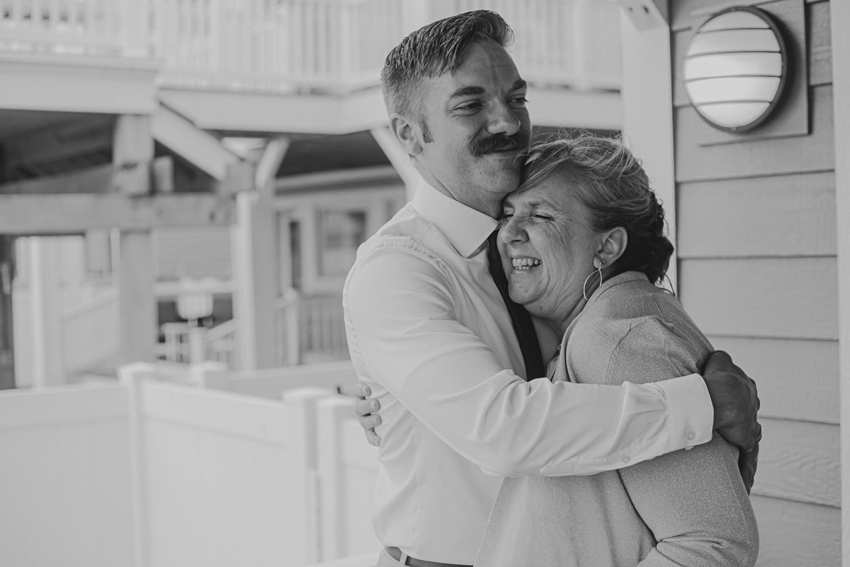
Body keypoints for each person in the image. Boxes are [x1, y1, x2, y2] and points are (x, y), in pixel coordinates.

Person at [343, 10, 760, 567]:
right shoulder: (398, 271)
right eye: (470, 105)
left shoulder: (544, 268)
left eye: (516, 98)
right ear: (409, 134)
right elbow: (502, 428)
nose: (507, 122)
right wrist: (700, 403)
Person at [474, 134, 758, 567]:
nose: (509, 233)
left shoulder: (616, 341)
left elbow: (712, 543)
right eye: (509, 213)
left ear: (606, 247)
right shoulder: (601, 325)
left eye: (540, 215)